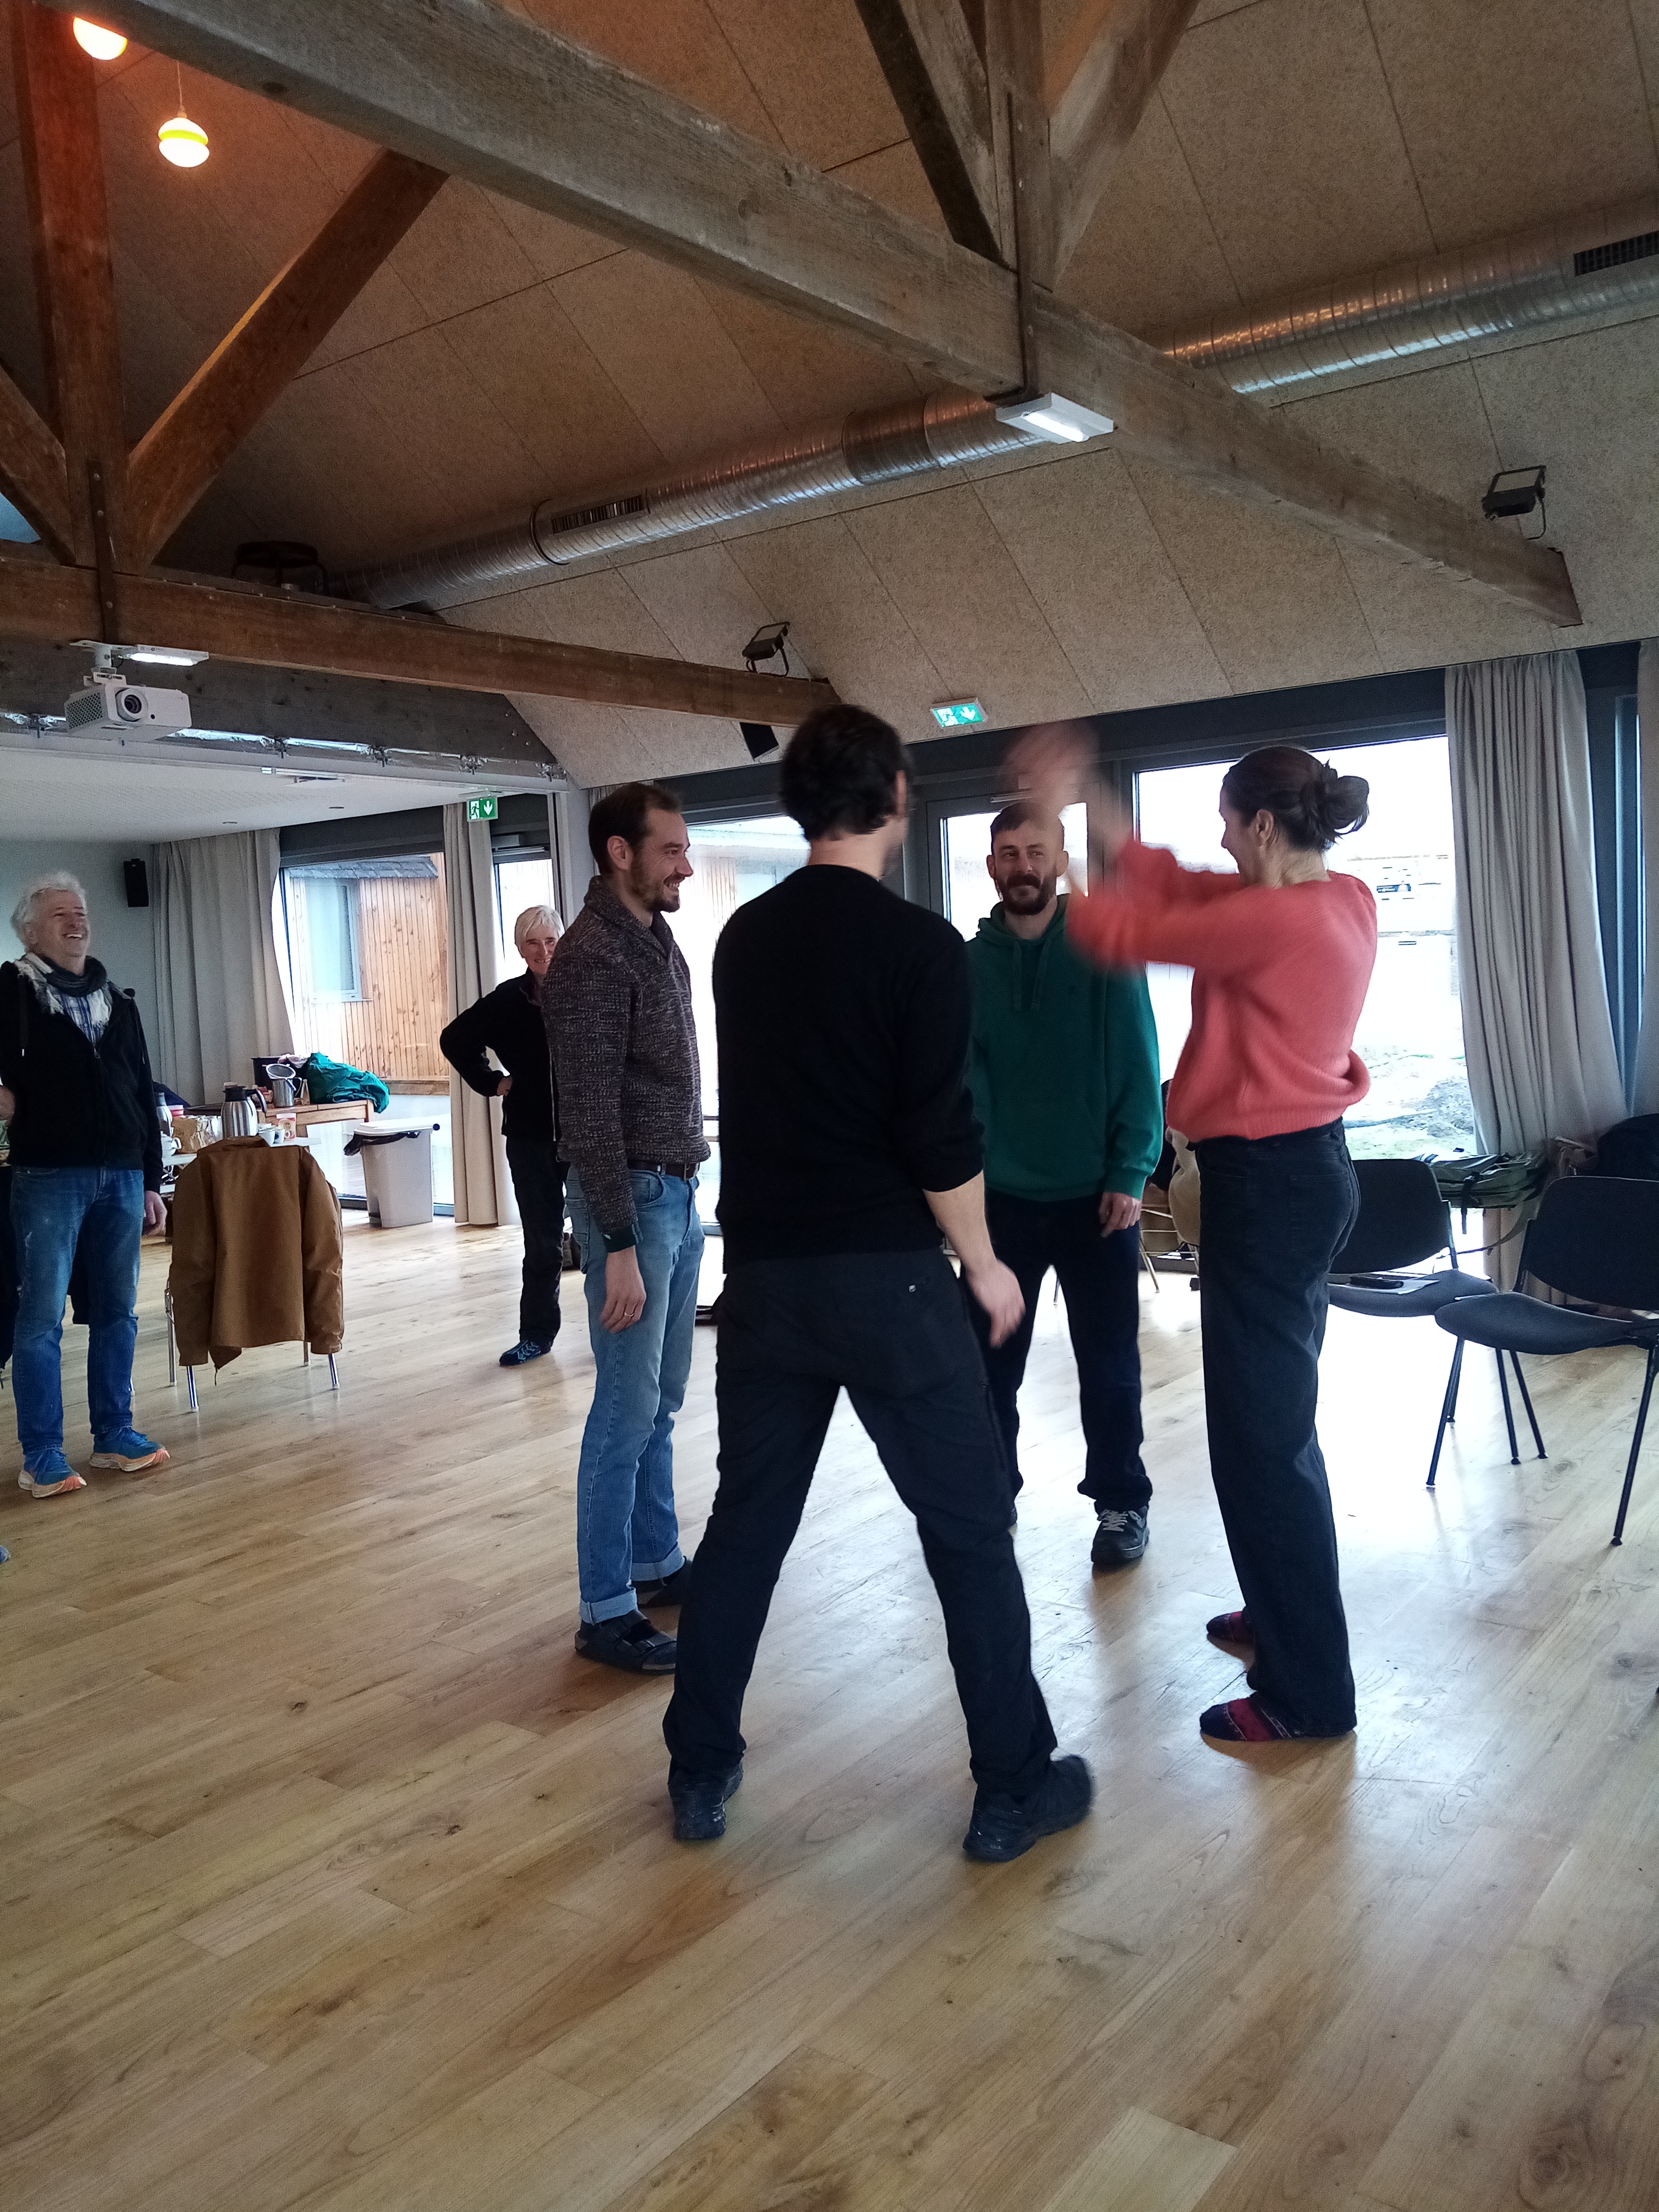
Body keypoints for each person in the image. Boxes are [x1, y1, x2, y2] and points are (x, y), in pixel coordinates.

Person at [663, 705, 1092, 1863]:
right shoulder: (921, 948)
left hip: (766, 1282)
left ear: (799, 801)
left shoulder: (743, 938)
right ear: (899, 796)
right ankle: (1015, 1785)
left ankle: (699, 1767)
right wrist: (987, 1266)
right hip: (891, 1287)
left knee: (747, 1528)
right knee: (970, 1531)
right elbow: (938, 1137)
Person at [1016, 733, 1375, 1747]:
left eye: (1226, 824)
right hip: (1306, 1174)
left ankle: (1308, 1693)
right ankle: (1280, 1613)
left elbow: (1124, 930)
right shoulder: (1339, 900)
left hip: (1272, 1186)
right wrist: (1088, 798)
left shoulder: (1275, 922)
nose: (1218, 841)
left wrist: (1057, 848)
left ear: (1260, 825)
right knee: (1272, 1430)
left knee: (1262, 1446)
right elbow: (1175, 883)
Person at [966, 803, 1163, 1569]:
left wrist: (1130, 1170)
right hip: (1000, 1206)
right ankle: (991, 1497)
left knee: (1109, 1368)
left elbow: (1139, 1063)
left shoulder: (1106, 947)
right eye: (1009, 853)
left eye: (1036, 851)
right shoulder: (969, 964)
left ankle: (1122, 1503)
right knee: (989, 1370)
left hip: (1097, 1203)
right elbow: (965, 1084)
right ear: (992, 866)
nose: (1023, 866)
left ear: (1059, 859)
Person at [542, 785, 707, 1674]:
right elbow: (590, 1114)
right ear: (619, 852)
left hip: (675, 1191)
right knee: (623, 1409)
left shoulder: (650, 937)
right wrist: (616, 1245)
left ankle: (655, 1559)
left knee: (662, 1401)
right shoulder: (592, 957)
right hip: (634, 1202)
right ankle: (606, 1608)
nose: (686, 866)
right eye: (671, 849)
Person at [0, 873, 169, 1498]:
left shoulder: (117, 1002)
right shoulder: (11, 991)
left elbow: (143, 1091)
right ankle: (41, 1454)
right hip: (49, 1174)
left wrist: (150, 1177)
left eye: (81, 912)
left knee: (117, 1311)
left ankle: (113, 1434)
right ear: (29, 931)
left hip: (122, 1173)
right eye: (60, 914)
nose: (77, 922)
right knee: (41, 1316)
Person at [440, 903, 567, 1367]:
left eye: (551, 941)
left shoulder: (584, 988)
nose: (544, 951)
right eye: (533, 943)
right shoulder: (508, 999)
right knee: (542, 1242)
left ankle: (614, 1340)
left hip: (587, 1135)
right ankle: (536, 1335)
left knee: (600, 1240)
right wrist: (492, 1082)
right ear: (520, 949)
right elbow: (455, 1039)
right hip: (530, 1137)